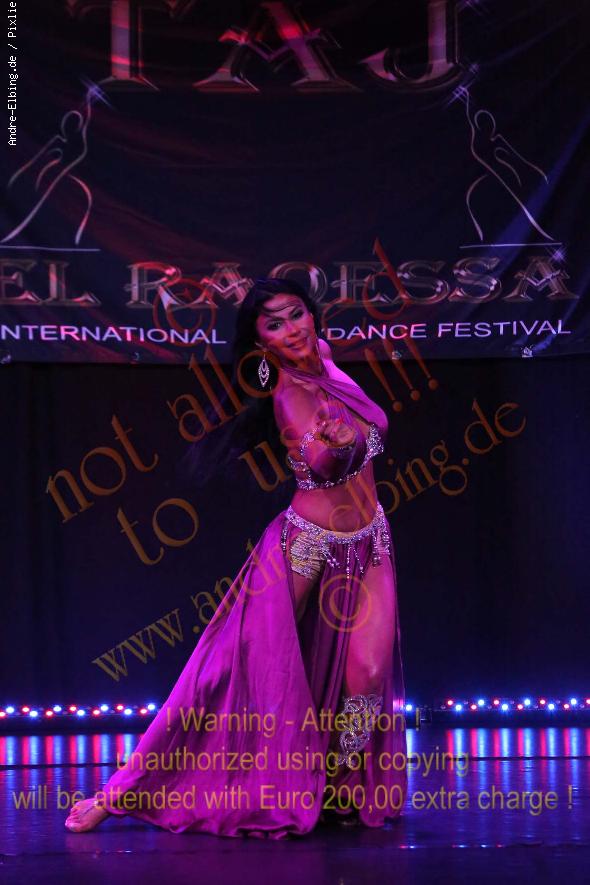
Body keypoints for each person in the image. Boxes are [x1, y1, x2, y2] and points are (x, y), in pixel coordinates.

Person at [65, 277, 408, 838]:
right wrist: (338, 445)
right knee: (225, 668)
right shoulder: (289, 393)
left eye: (296, 314)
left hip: (370, 540)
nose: (292, 329)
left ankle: (338, 784)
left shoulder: (324, 357)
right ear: (261, 343)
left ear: (313, 315)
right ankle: (122, 790)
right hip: (306, 544)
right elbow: (321, 466)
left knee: (368, 676)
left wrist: (348, 438)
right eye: (274, 324)